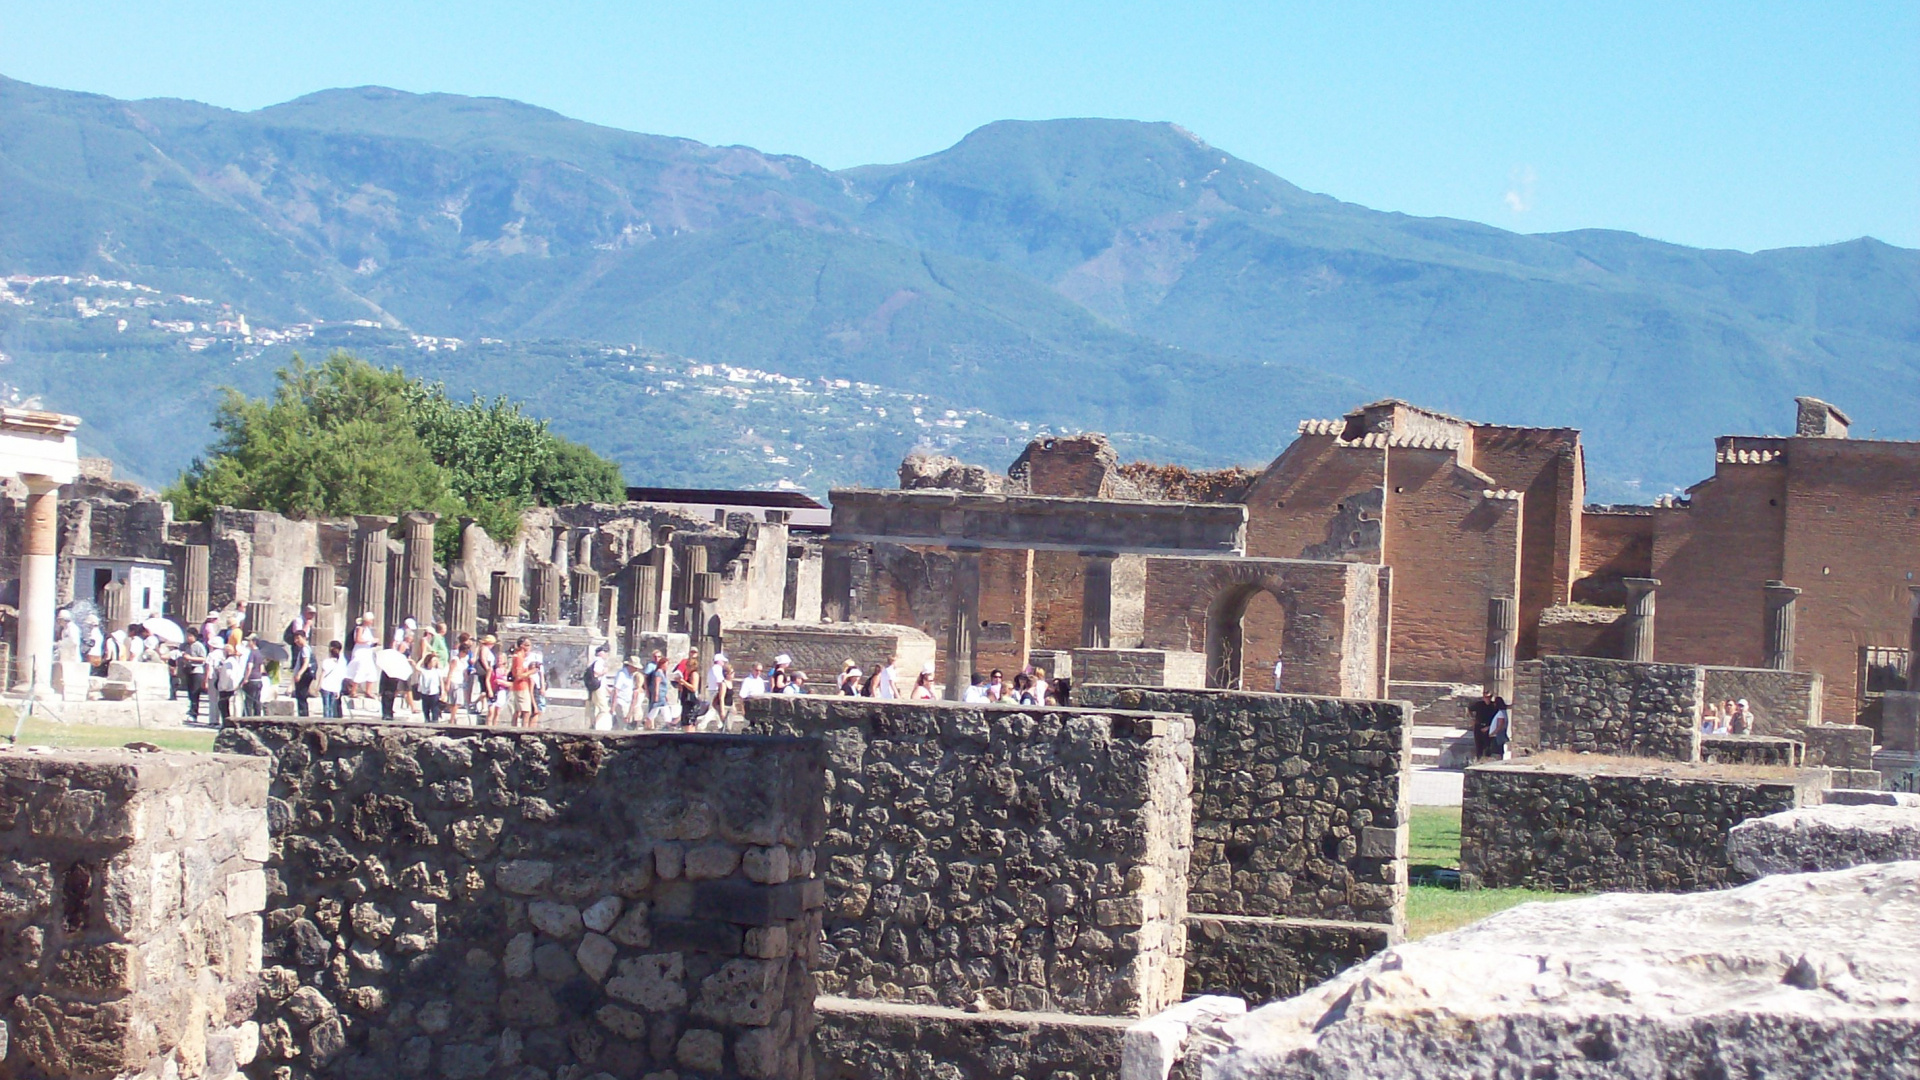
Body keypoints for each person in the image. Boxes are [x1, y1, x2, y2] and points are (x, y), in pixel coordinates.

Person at [348, 613, 380, 711]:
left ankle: (368, 691)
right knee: (359, 670)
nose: (372, 622)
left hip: (367, 651)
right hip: (360, 651)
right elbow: (358, 639)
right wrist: (370, 640)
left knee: (371, 670)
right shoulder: (360, 628)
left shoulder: (367, 629)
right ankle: (353, 691)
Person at [176, 628, 208, 723]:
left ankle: (194, 712)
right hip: (188, 670)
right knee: (190, 692)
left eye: (190, 636)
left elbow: (203, 658)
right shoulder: (185, 646)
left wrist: (191, 658)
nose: (188, 637)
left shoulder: (199, 646)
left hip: (197, 670)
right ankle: (191, 710)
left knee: (195, 692)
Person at [413, 652, 446, 724]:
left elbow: (441, 681)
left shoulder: (437, 671)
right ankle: (427, 720)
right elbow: (417, 667)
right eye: (433, 661)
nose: (434, 663)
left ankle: (435, 721)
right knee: (425, 708)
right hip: (425, 692)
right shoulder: (424, 670)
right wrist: (423, 658)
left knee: (435, 708)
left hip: (434, 691)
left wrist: (443, 691)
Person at [510, 638, 536, 728]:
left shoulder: (518, 656)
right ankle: (524, 730)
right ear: (522, 646)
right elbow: (518, 675)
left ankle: (514, 728)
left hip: (520, 685)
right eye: (528, 645)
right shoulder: (519, 657)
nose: (530, 647)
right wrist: (531, 672)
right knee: (526, 711)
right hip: (521, 686)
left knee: (518, 710)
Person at [644, 649, 672, 730]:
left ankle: (668, 724)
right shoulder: (658, 672)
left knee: (660, 710)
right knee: (655, 710)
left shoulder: (662, 672)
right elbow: (657, 684)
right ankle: (668, 724)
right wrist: (655, 695)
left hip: (662, 695)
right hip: (659, 695)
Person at [583, 645, 610, 730]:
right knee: (604, 709)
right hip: (598, 688)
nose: (607, 654)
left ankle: (592, 724)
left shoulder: (595, 661)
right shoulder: (599, 661)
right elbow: (596, 673)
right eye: (605, 652)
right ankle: (594, 725)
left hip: (596, 687)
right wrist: (604, 671)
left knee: (594, 706)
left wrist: (607, 688)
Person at [289, 631, 316, 716]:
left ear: (304, 638)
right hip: (304, 675)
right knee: (300, 696)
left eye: (298, 638)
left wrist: (299, 674)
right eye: (295, 639)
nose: (296, 641)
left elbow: (306, 662)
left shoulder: (305, 649)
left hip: (304, 676)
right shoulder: (304, 649)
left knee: (301, 696)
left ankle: (303, 716)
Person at [240, 635, 268, 717]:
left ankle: (247, 718)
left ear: (254, 642)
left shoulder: (252, 653)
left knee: (248, 701)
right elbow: (262, 668)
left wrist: (245, 678)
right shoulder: (260, 653)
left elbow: (249, 667)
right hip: (258, 679)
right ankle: (257, 717)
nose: (248, 643)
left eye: (249, 641)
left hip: (251, 679)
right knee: (257, 700)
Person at [672, 652, 701, 730]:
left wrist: (684, 682)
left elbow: (694, 688)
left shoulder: (694, 674)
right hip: (686, 701)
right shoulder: (689, 675)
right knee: (685, 724)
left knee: (689, 724)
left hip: (691, 702)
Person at [319, 641, 346, 719]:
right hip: (334, 687)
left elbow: (322, 675)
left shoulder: (326, 661)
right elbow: (340, 677)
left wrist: (319, 686)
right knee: (331, 707)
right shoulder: (341, 662)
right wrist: (338, 689)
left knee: (326, 707)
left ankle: (326, 721)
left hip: (325, 686)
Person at [610, 655, 639, 730]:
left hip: (627, 701)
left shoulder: (631, 675)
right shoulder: (621, 674)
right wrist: (613, 705)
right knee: (624, 723)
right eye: (635, 667)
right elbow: (616, 689)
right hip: (620, 701)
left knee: (617, 725)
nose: (636, 669)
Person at [1469, 690, 1499, 759]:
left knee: (1487, 745)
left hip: (1488, 727)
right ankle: (1479, 758)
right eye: (1486, 697)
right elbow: (1469, 709)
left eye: (1489, 697)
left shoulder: (1493, 706)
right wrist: (1473, 719)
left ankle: (1486, 759)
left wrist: (1489, 727)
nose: (1487, 699)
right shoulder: (1479, 704)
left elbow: (1496, 718)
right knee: (1478, 744)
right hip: (1479, 726)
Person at [709, 652, 733, 722]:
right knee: (712, 710)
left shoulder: (712, 668)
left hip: (713, 689)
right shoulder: (717, 668)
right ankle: (702, 725)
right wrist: (724, 687)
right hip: (716, 690)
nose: (724, 663)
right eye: (723, 661)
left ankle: (720, 725)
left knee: (714, 710)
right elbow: (719, 680)